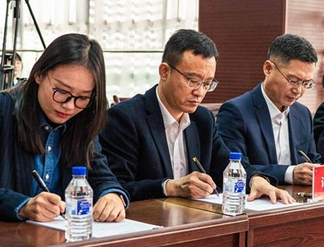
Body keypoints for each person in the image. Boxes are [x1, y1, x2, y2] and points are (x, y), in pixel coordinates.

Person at [0, 33, 128, 225]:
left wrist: (111, 195)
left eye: (83, 97)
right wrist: (22, 205)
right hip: (0, 233)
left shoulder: (83, 118)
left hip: (59, 235)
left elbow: (99, 172)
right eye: (61, 91)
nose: (69, 106)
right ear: (39, 74)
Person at [99, 29, 292, 203]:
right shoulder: (125, 118)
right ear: (164, 71)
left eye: (207, 84)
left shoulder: (202, 119)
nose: (199, 92)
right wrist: (168, 187)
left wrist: (255, 179)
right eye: (192, 80)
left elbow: (226, 163)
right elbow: (115, 187)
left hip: (194, 220)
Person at [216, 34, 321, 186]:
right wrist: (289, 173)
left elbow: (312, 159)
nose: (298, 90)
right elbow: (235, 167)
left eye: (306, 83)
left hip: (297, 197)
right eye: (293, 80)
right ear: (268, 68)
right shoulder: (236, 112)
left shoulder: (303, 113)